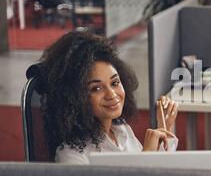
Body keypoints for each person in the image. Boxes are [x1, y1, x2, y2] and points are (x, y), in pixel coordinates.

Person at [39, 31, 178, 164]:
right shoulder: (71, 156)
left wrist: (165, 126)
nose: (112, 94)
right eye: (96, 88)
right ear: (74, 97)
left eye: (115, 83)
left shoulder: (121, 130)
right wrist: (146, 154)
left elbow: (157, 175)